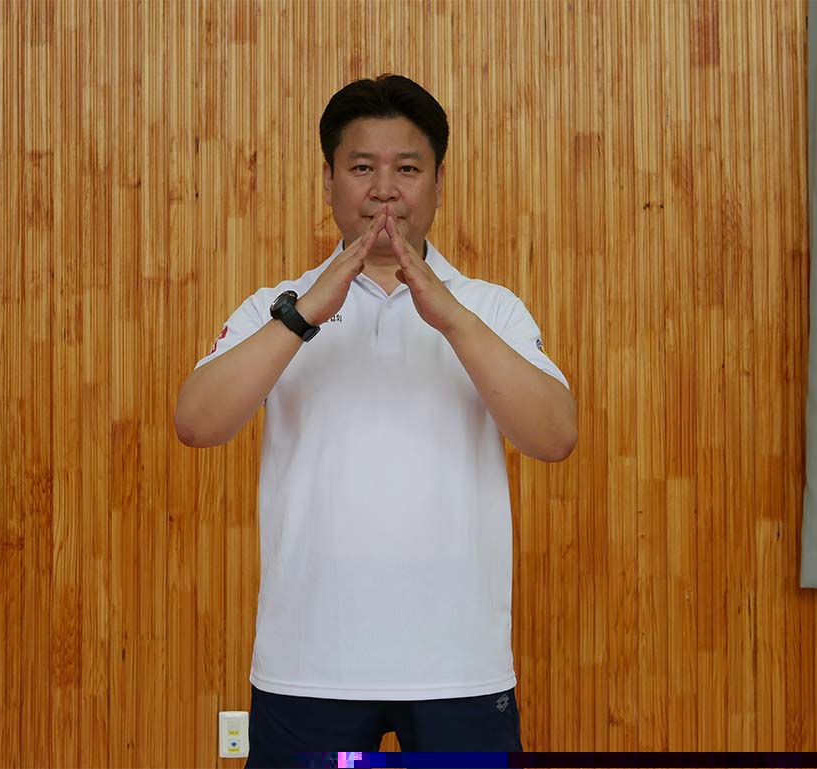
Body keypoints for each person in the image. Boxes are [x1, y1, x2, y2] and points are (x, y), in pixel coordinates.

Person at [174, 74, 577, 768]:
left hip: (459, 670)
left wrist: (450, 316)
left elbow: (555, 435)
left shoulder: (491, 308)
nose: (385, 191)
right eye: (362, 168)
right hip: (307, 670)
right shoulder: (278, 304)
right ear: (328, 181)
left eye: (407, 169)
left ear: (438, 184)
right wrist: (306, 313)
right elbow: (196, 422)